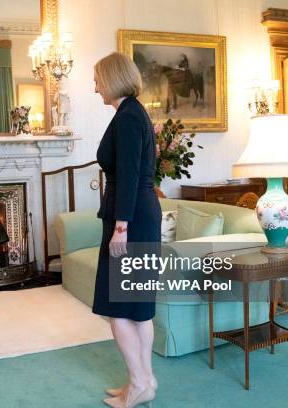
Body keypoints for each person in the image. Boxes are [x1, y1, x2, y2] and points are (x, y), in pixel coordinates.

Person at [93, 52, 162, 408]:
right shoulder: (133, 112)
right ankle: (144, 380)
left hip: (130, 220)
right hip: (137, 216)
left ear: (112, 78)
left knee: (120, 307)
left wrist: (121, 227)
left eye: (97, 79)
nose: (95, 86)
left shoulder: (127, 116)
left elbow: (131, 175)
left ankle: (138, 384)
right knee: (136, 305)